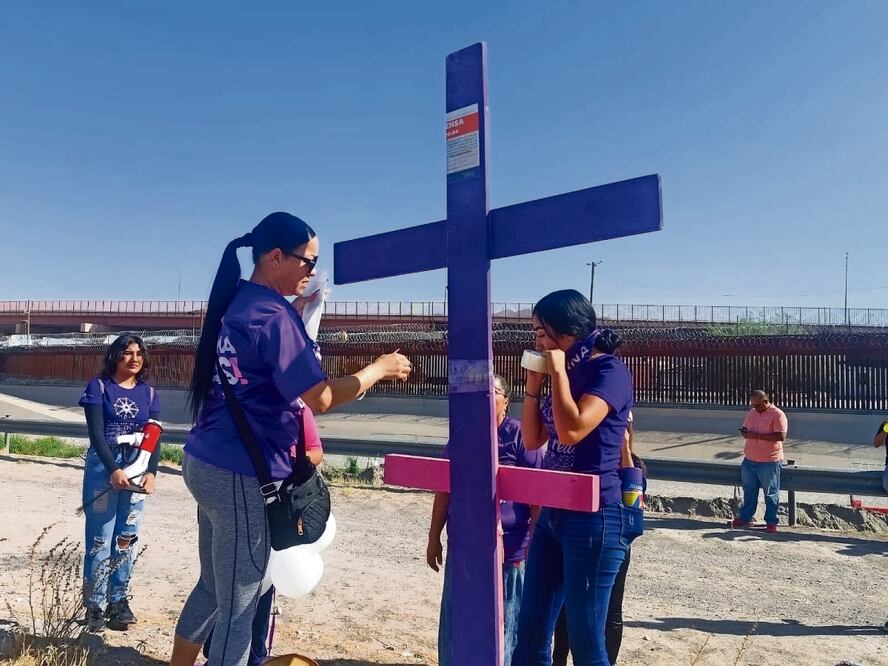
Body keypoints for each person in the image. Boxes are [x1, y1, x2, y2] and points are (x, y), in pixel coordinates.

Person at [170, 212, 411, 666]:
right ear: (276, 257)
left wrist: (298, 318)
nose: (312, 272)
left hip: (206, 460)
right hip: (240, 471)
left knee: (216, 585)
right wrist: (378, 370)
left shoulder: (240, 302)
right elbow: (318, 398)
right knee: (242, 602)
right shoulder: (271, 315)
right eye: (307, 261)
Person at [513, 289, 639, 666]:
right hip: (554, 510)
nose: (535, 341)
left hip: (595, 516)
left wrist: (556, 374)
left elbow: (573, 430)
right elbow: (535, 439)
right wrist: (534, 388)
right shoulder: (564, 371)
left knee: (585, 638)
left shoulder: (609, 371)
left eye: (539, 332)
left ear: (563, 332)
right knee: (531, 628)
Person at [427, 374, 544, 666]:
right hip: (464, 546)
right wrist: (433, 538)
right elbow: (444, 489)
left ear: (506, 400)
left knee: (506, 620)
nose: (485, 398)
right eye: (481, 392)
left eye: (492, 392)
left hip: (508, 549)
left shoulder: (519, 436)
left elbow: (537, 498)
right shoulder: (464, 435)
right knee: (458, 617)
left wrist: (534, 541)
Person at [202, 406, 325, 666]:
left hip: (276, 508)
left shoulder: (299, 409)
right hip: (233, 503)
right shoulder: (240, 404)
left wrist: (288, 464)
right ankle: (216, 648)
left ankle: (254, 654)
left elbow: (315, 452)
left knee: (264, 581)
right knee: (227, 581)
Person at [79, 333, 161, 633]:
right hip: (105, 466)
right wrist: (113, 469)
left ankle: (119, 601)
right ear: (115, 356)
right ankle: (94, 605)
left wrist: (152, 471)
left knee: (127, 536)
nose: (134, 358)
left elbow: (154, 435)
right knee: (100, 537)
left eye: (139, 353)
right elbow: (97, 435)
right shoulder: (99, 388)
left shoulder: (150, 394)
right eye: (127, 353)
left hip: (138, 465)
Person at [552, 414, 645, 665]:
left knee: (611, 611)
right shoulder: (583, 458)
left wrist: (624, 451)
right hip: (579, 537)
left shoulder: (633, 464)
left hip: (615, 543)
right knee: (566, 607)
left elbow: (633, 502)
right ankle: (558, 658)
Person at [731, 390, 789, 533]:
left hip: (769, 461)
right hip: (750, 460)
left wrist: (756, 436)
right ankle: (745, 517)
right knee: (749, 491)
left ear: (765, 402)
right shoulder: (752, 413)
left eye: (757, 405)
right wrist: (745, 432)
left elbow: (780, 436)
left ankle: (771, 522)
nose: (754, 408)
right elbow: (746, 428)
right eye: (752, 405)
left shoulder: (778, 414)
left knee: (771, 493)